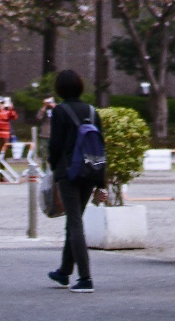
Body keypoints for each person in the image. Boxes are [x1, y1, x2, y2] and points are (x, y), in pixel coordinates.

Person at [45, 68, 104, 293]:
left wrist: (52, 166)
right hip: (90, 172)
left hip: (68, 173)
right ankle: (63, 272)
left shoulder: (60, 111)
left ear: (59, 88)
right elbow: (101, 146)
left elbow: (55, 145)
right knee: (74, 219)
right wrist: (102, 181)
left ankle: (86, 278)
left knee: (75, 221)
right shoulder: (92, 110)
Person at [0, 95, 18, 180]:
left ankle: (2, 176)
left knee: (3, 156)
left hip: (5, 136)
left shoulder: (7, 112)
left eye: (1, 103)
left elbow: (14, 117)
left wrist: (11, 108)